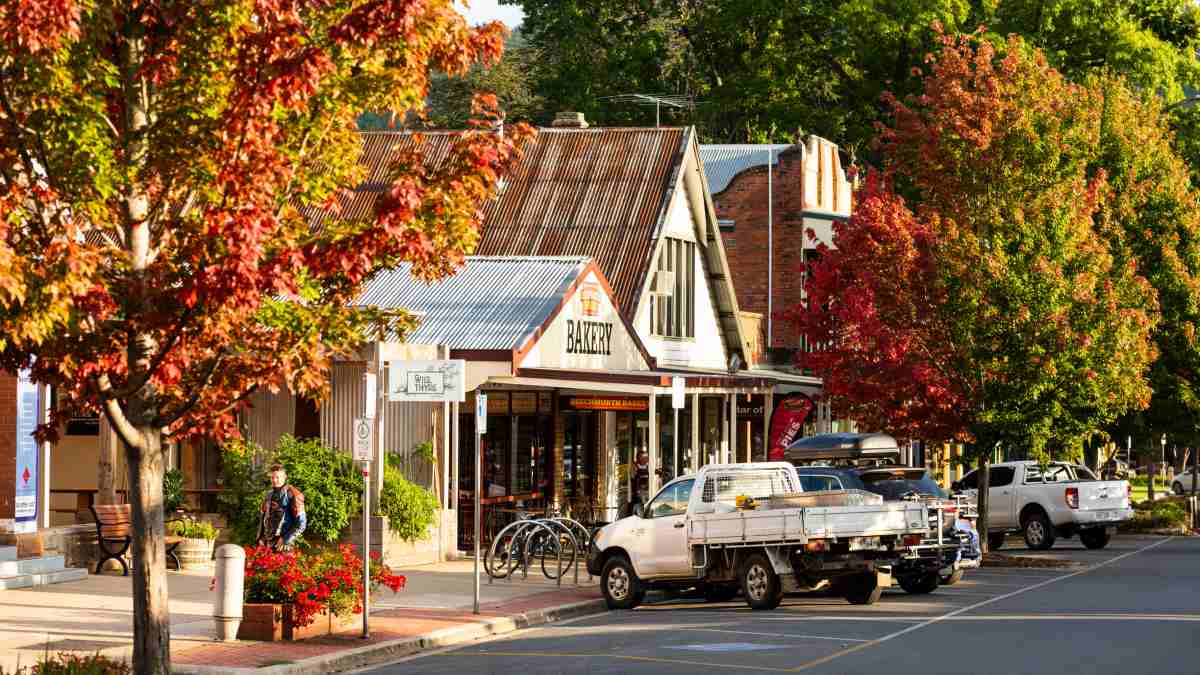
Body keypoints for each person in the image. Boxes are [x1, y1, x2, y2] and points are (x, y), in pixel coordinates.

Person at [257, 464, 307, 552]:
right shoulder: (268, 495)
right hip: (267, 545)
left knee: (283, 566)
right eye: (272, 477)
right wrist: (260, 538)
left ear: (285, 477)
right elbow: (264, 518)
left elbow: (301, 524)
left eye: (277, 477)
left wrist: (285, 539)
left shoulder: (293, 494)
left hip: (284, 546)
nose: (274, 480)